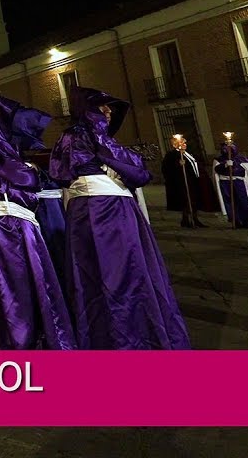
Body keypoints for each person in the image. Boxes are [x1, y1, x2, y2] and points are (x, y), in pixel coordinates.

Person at [50, 87, 190, 349]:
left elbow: (62, 172)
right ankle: (129, 336)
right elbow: (137, 171)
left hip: (90, 209)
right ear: (90, 111)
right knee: (122, 273)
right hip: (107, 209)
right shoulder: (93, 135)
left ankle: (102, 333)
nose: (109, 111)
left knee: (95, 272)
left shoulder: (73, 136)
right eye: (103, 107)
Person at [0, 92, 74, 350]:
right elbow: (24, 178)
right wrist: (30, 173)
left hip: (12, 219)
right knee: (15, 283)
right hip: (8, 223)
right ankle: (22, 339)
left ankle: (33, 332)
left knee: (25, 279)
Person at [10, 106, 69, 291]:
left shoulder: (33, 150)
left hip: (47, 208)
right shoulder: (22, 150)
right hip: (43, 207)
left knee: (52, 249)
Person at [162, 135, 207, 228]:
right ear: (175, 145)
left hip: (193, 181)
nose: (184, 144)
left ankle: (195, 219)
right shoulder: (172, 155)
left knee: (194, 201)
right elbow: (167, 168)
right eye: (182, 143)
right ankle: (186, 220)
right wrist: (178, 165)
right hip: (182, 183)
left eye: (185, 143)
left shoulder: (188, 153)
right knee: (186, 202)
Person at [212, 142, 248, 230]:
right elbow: (217, 170)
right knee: (231, 202)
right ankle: (236, 221)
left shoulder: (241, 159)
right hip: (226, 183)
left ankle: (245, 220)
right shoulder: (219, 160)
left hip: (239, 182)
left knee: (243, 201)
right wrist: (225, 165)